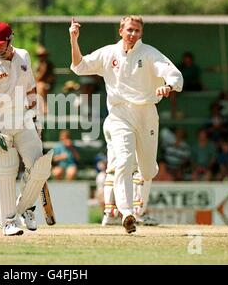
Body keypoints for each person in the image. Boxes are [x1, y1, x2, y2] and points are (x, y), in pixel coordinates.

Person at [69, 15, 183, 233]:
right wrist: (74, 40)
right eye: (129, 29)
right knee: (123, 160)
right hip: (119, 114)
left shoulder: (149, 53)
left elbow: (175, 75)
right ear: (121, 30)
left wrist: (167, 86)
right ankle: (127, 212)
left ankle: (135, 200)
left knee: (147, 170)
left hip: (146, 113)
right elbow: (79, 66)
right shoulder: (108, 53)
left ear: (141, 33)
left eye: (137, 31)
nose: (133, 34)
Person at [0, 21, 54, 236]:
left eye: (0, 44)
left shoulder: (24, 56)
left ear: (11, 40)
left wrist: (36, 117)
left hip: (24, 118)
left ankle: (25, 207)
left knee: (40, 166)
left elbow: (30, 87)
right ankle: (8, 222)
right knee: (5, 173)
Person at [34, 45, 55, 113]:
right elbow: (35, 76)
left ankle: (44, 109)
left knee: (40, 87)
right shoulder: (37, 64)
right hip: (37, 84)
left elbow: (51, 78)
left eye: (43, 55)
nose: (42, 57)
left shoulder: (49, 65)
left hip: (47, 85)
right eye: (40, 56)